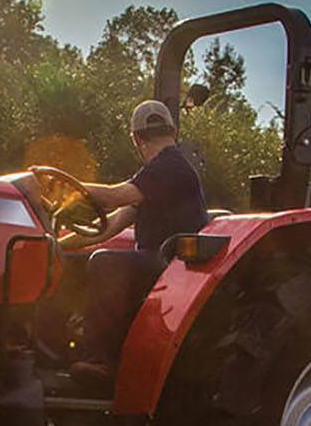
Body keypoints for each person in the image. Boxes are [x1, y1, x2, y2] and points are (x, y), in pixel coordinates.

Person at [29, 99, 208, 384]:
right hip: (157, 261)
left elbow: (115, 196)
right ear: (173, 131)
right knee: (69, 262)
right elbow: (109, 225)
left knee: (106, 262)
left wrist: (52, 185)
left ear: (136, 139)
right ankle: (48, 351)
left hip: (174, 266)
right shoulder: (156, 176)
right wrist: (56, 245)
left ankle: (103, 361)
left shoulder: (171, 166)